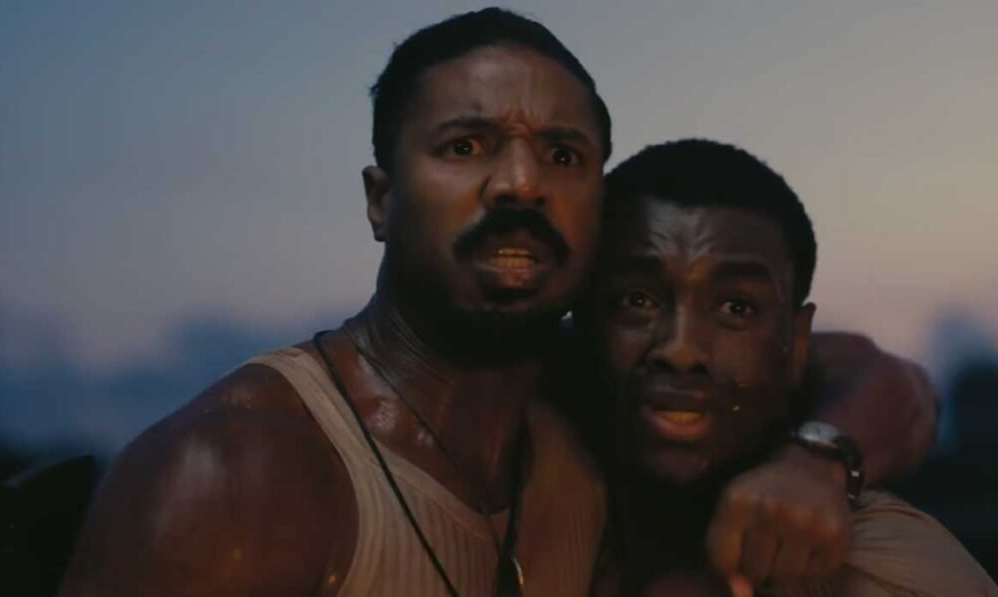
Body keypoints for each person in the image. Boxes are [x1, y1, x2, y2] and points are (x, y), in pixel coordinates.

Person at [60, 9, 936, 597]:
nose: (521, 182)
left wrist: (818, 462)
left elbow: (884, 379)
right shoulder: (235, 476)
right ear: (380, 199)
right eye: (466, 145)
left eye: (563, 156)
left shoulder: (586, 392)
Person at [579, 138, 995, 596]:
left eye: (736, 308)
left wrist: (816, 464)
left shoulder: (892, 570)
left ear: (797, 342)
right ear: (581, 316)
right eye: (637, 300)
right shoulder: (535, 438)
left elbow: (898, 385)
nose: (681, 350)